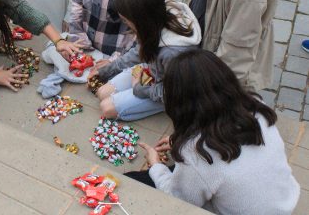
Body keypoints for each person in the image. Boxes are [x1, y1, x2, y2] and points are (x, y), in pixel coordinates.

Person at [126, 49, 300, 214]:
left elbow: (178, 198)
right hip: (284, 202)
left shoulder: (196, 153)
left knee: (133, 180)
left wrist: (156, 165)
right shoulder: (256, 106)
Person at [90, 0, 200, 121]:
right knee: (102, 93)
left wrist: (140, 89)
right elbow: (139, 51)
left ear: (141, 20)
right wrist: (108, 69)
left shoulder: (172, 53)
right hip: (154, 70)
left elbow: (173, 92)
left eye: (125, 20)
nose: (125, 24)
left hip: (170, 90)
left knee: (107, 108)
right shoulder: (156, 20)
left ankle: (166, 108)